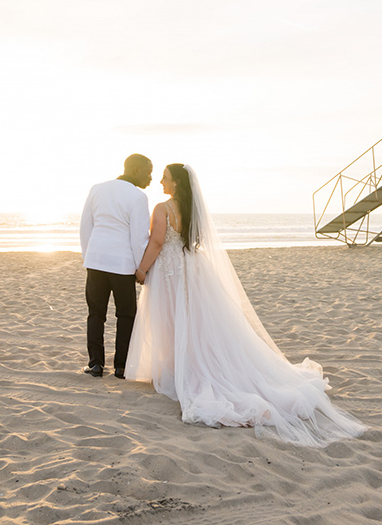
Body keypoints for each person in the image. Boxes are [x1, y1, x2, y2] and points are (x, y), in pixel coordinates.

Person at [124, 164, 366, 447]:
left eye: (165, 178)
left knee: (171, 319)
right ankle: (187, 363)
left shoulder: (162, 209)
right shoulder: (193, 209)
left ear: (175, 183)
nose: (161, 182)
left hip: (170, 271)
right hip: (191, 267)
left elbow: (156, 242)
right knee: (195, 320)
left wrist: (141, 270)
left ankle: (180, 368)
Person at [79, 154, 153, 379]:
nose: (150, 178)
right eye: (148, 171)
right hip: (122, 265)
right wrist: (142, 269)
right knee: (126, 315)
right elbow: (139, 237)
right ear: (136, 169)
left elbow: (86, 226)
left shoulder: (97, 189)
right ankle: (121, 367)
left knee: (96, 313)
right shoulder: (138, 197)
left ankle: (96, 365)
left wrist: (89, 256)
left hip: (96, 261)